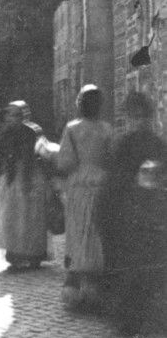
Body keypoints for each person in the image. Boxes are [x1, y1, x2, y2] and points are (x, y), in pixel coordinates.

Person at [96, 92, 167, 336]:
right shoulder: (129, 143)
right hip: (128, 214)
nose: (139, 122)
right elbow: (115, 181)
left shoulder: (154, 144)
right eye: (135, 117)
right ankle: (128, 317)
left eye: (143, 117)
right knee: (131, 268)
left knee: (141, 267)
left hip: (144, 214)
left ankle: (136, 317)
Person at [57, 84, 113, 311]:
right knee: (97, 235)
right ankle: (96, 289)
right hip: (101, 185)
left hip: (79, 187)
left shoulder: (72, 129)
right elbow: (111, 159)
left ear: (80, 104)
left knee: (78, 234)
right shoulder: (107, 130)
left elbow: (65, 162)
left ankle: (76, 288)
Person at [0, 100, 57, 270]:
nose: (10, 117)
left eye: (14, 114)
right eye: (8, 113)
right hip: (14, 176)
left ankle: (33, 254)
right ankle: (15, 253)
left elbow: (36, 153)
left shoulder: (32, 130)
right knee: (14, 216)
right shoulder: (8, 131)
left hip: (30, 175)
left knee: (31, 217)